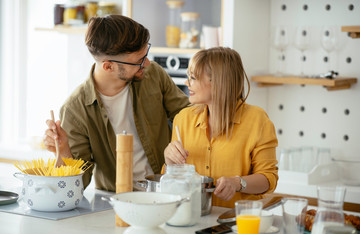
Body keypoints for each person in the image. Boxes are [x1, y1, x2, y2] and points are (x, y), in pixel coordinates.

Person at [43, 15, 189, 191]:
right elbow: (77, 185)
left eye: (146, 54)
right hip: (115, 203)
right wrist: (64, 150)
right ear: (108, 66)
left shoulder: (153, 75)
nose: (147, 63)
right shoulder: (75, 110)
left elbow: (189, 116)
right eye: (138, 61)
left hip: (165, 193)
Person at [164, 47, 278, 208]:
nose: (186, 83)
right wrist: (169, 163)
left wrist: (238, 183)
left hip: (236, 221)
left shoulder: (258, 120)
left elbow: (268, 179)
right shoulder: (182, 119)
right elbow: (170, 183)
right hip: (191, 217)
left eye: (193, 78)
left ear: (217, 82)